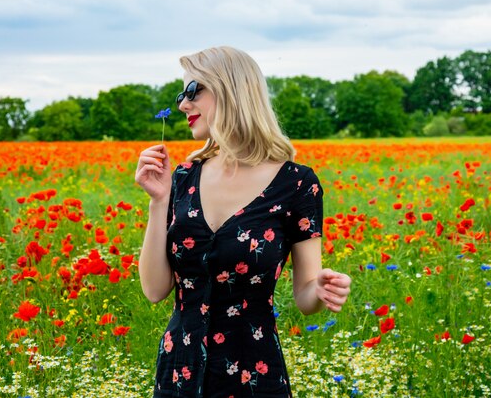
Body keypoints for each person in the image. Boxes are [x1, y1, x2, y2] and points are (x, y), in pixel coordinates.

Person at [135, 46, 351, 398]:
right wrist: (158, 202)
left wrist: (322, 288)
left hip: (253, 374)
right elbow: (154, 290)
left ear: (230, 89)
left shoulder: (296, 184)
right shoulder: (183, 178)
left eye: (192, 91)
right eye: (181, 95)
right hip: (179, 373)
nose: (183, 105)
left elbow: (305, 296)